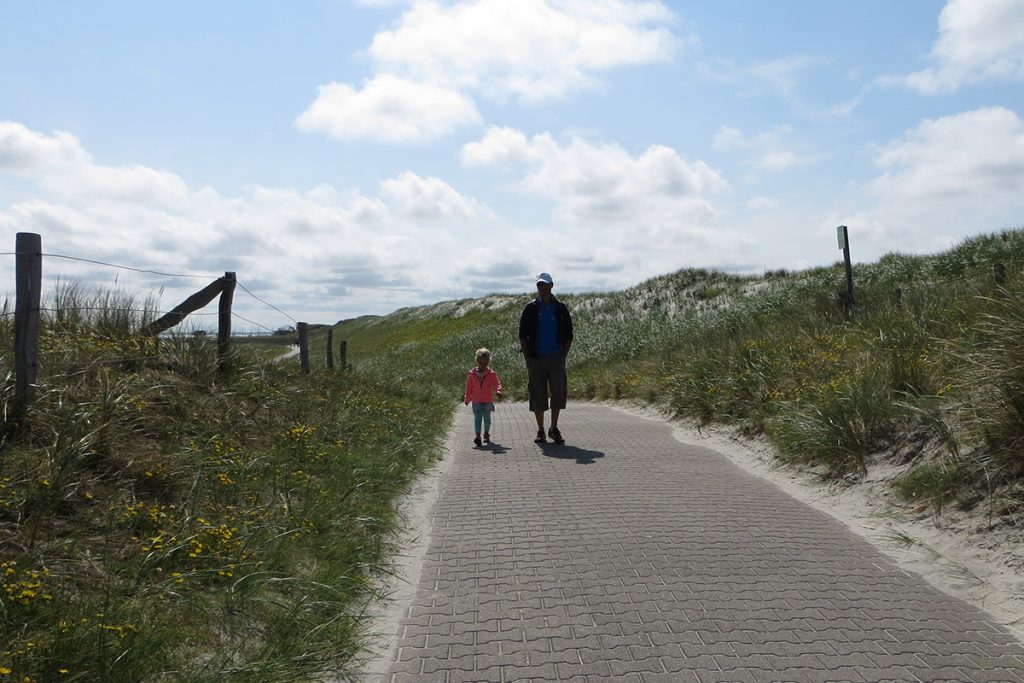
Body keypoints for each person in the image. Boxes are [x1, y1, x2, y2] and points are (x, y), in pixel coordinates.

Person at [519, 272, 573, 444]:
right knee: (538, 394)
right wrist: (528, 357)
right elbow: (522, 335)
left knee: (558, 391)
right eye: (539, 285)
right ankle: (541, 430)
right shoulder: (531, 308)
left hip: (556, 357)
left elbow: (569, 334)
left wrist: (562, 355)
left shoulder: (560, 308)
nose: (542, 288)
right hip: (535, 358)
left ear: (552, 285)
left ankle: (554, 428)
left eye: (545, 284)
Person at [464, 347, 503, 447]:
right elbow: (469, 387)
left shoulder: (491, 374)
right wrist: (467, 397)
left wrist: (498, 391)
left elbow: (497, 383)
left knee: (487, 419)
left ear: (489, 362)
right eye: (481, 363)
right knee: (477, 419)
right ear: (477, 361)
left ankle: (486, 432)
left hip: (487, 401)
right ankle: (477, 436)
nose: (483, 365)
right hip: (476, 400)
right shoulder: (472, 374)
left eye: (486, 363)